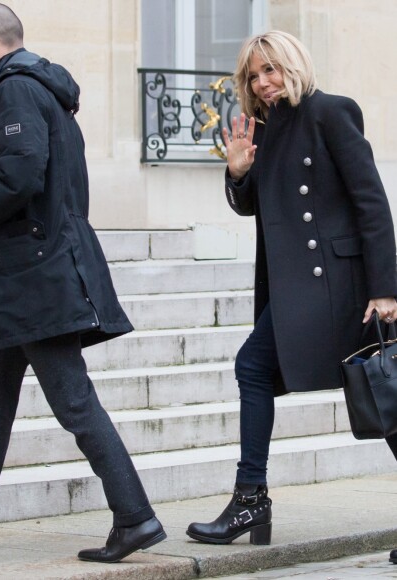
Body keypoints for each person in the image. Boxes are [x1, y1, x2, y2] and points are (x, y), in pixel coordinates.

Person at [0, 2, 166, 562]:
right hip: (22, 279)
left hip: (31, 280)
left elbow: (21, 172)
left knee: (74, 402)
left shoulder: (17, 89)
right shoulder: (39, 90)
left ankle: (136, 517)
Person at [186, 31, 397, 556]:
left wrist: (386, 288)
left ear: (293, 66)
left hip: (343, 287)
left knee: (386, 394)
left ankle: (251, 498)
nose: (263, 83)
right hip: (297, 288)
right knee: (254, 367)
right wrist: (236, 174)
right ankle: (250, 497)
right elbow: (258, 204)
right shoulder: (266, 128)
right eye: (253, 76)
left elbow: (371, 202)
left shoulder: (332, 112)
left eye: (271, 70)